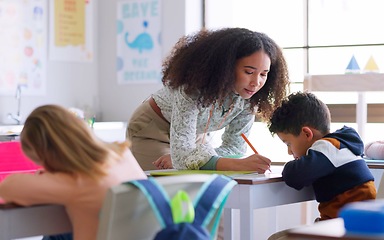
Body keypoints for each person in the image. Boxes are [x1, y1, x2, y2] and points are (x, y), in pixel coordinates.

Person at [127, 27, 290, 172]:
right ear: (226, 67)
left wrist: (188, 157)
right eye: (248, 72)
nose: (256, 83)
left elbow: (234, 149)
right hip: (152, 129)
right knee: (174, 189)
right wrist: (185, 158)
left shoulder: (249, 99)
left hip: (192, 135)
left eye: (263, 74)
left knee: (196, 176)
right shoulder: (192, 89)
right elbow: (185, 157)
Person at [0, 105, 147, 240]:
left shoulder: (75, 181)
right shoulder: (123, 154)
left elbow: (7, 187)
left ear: (49, 154)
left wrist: (46, 176)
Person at [268, 91, 376, 221]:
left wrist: (288, 167)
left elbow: (294, 176)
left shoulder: (327, 148)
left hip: (346, 229)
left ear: (307, 134)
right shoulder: (342, 145)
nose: (289, 152)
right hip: (357, 224)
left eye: (288, 144)